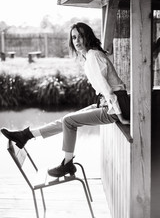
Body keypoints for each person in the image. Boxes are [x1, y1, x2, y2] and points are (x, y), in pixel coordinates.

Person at [1, 22, 130, 178]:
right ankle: (26, 135)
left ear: (88, 36)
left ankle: (67, 164)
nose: (77, 41)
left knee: (69, 121)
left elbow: (108, 90)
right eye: (74, 37)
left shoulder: (93, 56)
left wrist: (120, 115)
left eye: (81, 36)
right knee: (66, 120)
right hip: (110, 103)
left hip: (115, 105)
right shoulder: (91, 55)